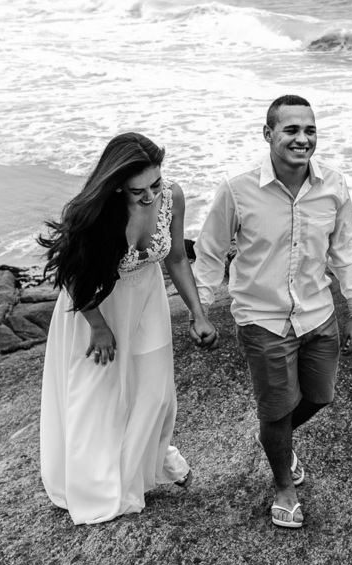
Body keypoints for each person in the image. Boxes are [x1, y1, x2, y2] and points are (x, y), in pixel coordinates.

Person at [194, 95, 352, 529]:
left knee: (321, 395)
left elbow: (345, 251)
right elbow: (210, 253)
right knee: (275, 410)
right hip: (262, 318)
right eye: (291, 130)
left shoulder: (334, 186)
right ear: (268, 133)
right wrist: (202, 310)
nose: (302, 139)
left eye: (309, 130)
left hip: (317, 312)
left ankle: (276, 437)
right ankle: (284, 487)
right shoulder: (237, 190)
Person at [38, 132, 218, 526]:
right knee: (100, 396)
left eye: (156, 184)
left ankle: (143, 465)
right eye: (139, 191)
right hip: (96, 304)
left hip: (148, 300)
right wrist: (99, 328)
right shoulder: (93, 212)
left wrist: (197, 312)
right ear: (117, 184)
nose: (151, 197)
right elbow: (73, 274)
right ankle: (100, 486)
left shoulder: (172, 196)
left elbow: (174, 256)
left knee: (154, 391)